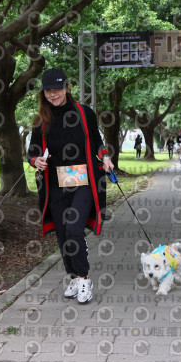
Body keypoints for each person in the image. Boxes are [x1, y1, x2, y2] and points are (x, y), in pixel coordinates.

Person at [27, 68, 114, 304]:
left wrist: (105, 157)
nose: (53, 95)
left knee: (74, 230)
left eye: (57, 90)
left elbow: (97, 143)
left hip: (83, 180)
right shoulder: (41, 121)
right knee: (63, 233)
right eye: (48, 91)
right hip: (56, 184)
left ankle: (84, 278)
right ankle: (74, 277)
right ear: (43, 93)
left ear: (67, 88)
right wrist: (36, 161)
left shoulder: (85, 113)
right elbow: (32, 152)